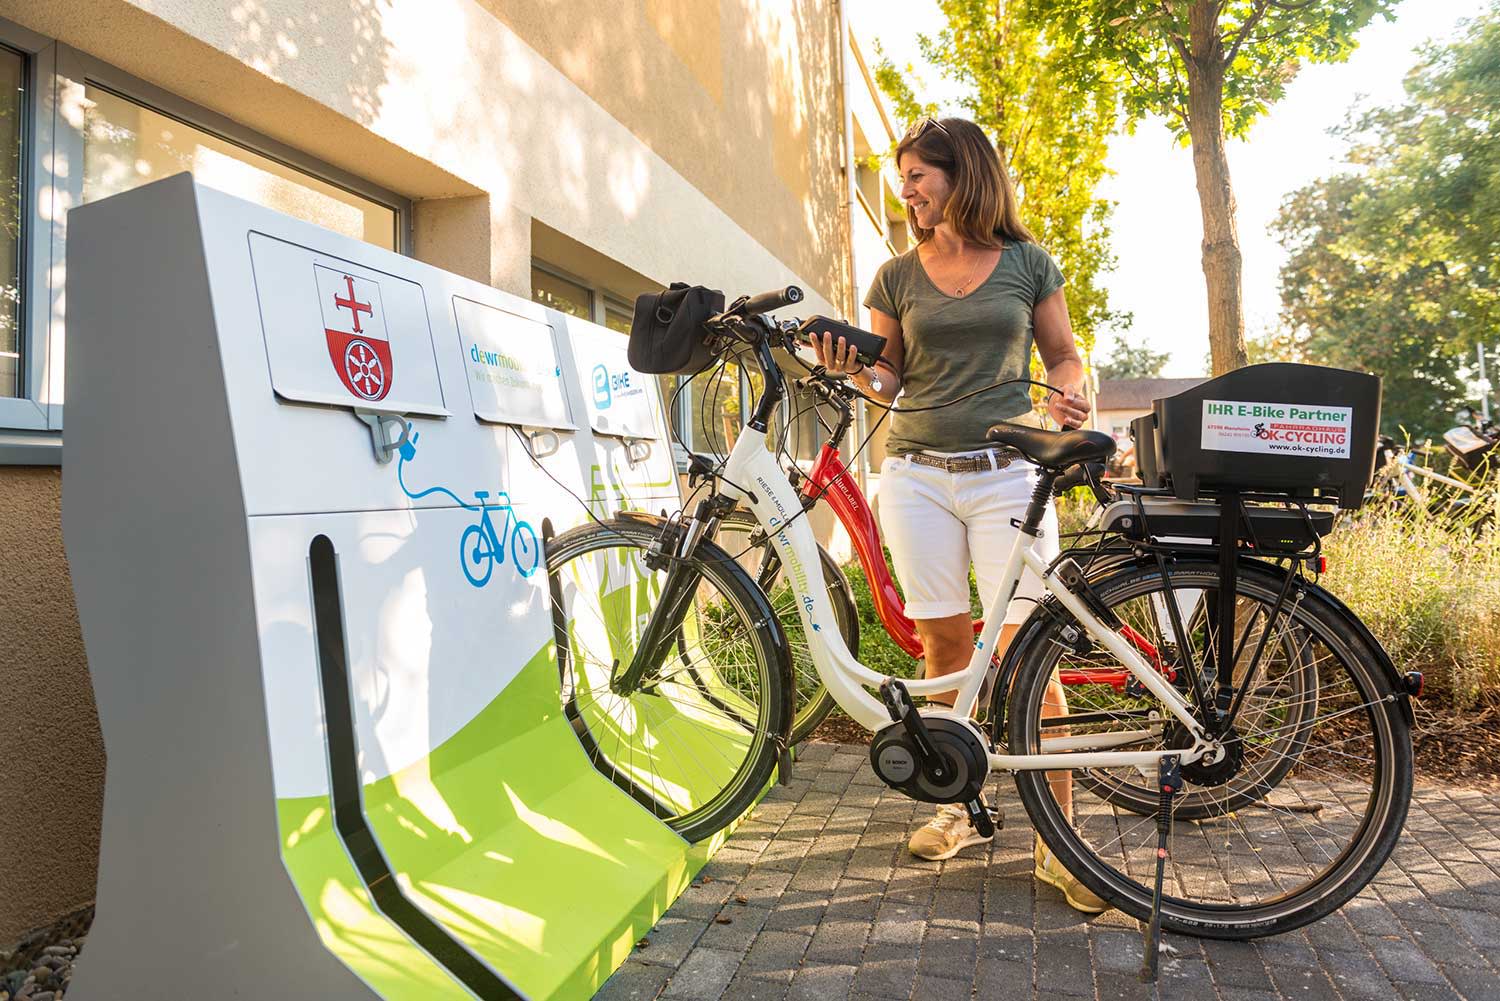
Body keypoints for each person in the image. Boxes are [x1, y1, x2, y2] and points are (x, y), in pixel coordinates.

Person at [813, 116, 1105, 914]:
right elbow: (886, 382)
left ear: (961, 173)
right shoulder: (894, 276)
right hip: (915, 475)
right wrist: (852, 369)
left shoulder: (1027, 262)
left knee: (1028, 651)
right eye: (902, 178)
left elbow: (1064, 354)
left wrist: (1078, 388)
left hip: (1009, 473)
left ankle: (1060, 840)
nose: (904, 191)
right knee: (944, 644)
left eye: (915, 176)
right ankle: (957, 806)